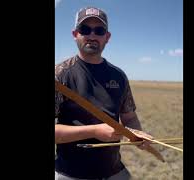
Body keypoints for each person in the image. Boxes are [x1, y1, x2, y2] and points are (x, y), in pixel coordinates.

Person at [55, 6, 152, 180]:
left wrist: (136, 134)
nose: (92, 35)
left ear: (107, 37)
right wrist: (93, 131)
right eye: (85, 29)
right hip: (70, 174)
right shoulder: (60, 75)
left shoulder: (119, 76)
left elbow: (129, 117)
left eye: (99, 30)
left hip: (114, 172)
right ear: (75, 34)